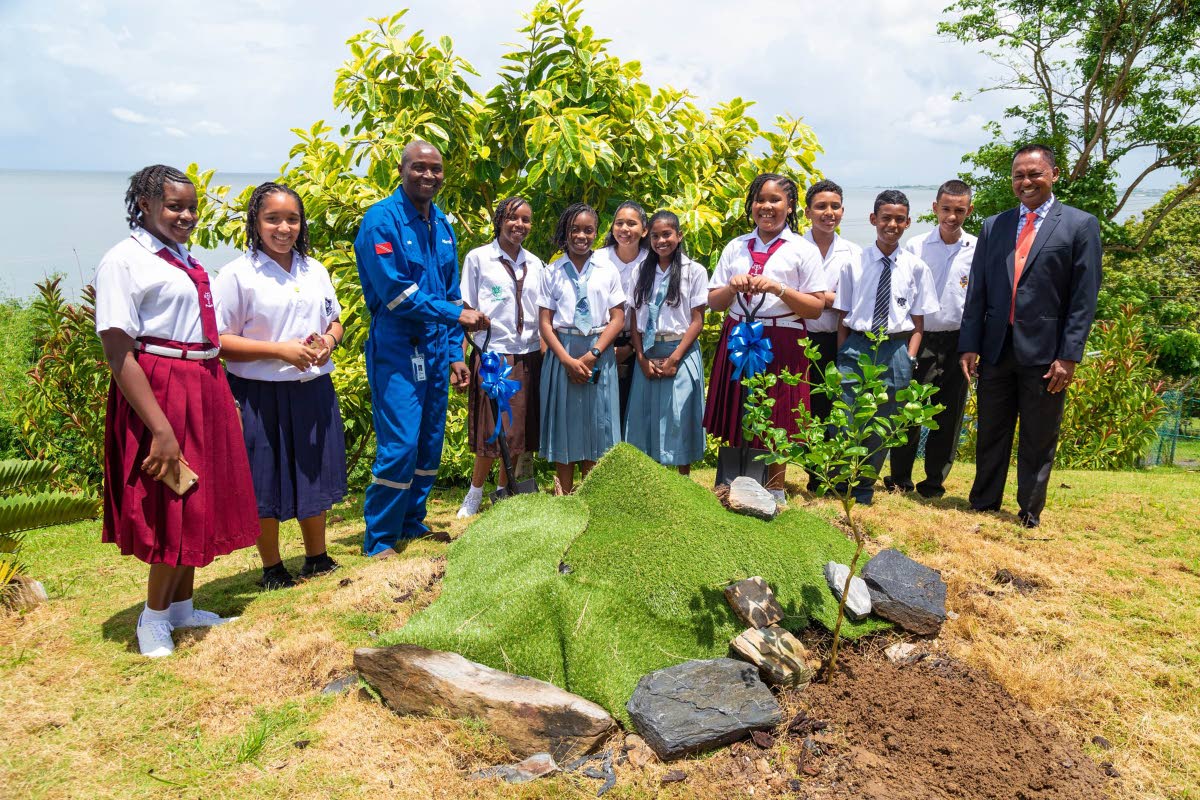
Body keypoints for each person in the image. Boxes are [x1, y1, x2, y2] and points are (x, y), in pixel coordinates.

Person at [94, 164, 258, 657]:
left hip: (202, 381)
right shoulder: (124, 261)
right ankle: (154, 617)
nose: (186, 215)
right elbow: (118, 351)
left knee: (199, 494)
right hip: (161, 388)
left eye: (192, 207)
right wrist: (160, 429)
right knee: (173, 501)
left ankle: (183, 608)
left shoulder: (182, 256)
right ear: (144, 205)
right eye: (174, 207)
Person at [352, 141, 488, 556]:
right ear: (401, 169)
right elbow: (395, 294)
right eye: (420, 168)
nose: (429, 176)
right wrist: (455, 317)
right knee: (401, 445)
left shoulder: (442, 224)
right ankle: (380, 538)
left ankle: (412, 520)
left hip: (434, 347)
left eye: (436, 169)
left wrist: (453, 355)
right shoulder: (381, 221)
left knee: (429, 444)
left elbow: (449, 293)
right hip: (397, 348)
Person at [959, 144, 1102, 528]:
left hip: (1046, 353)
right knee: (991, 429)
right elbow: (979, 291)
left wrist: (1069, 355)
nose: (1026, 182)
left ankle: (1028, 511)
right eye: (1019, 175)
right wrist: (970, 344)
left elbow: (1083, 299)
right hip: (995, 347)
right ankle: (984, 501)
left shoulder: (1079, 224)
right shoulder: (995, 225)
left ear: (1053, 174)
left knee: (1038, 436)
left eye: (1035, 174)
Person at [212, 182, 347, 590]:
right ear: (255, 221)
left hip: (312, 389)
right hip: (259, 395)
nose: (283, 227)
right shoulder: (238, 274)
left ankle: (317, 558)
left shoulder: (314, 269)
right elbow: (218, 340)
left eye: (292, 218)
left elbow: (335, 321)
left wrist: (328, 342)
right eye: (272, 219)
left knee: (314, 472)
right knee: (263, 480)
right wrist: (280, 352)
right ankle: (272, 568)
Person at [705, 173, 828, 503]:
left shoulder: (803, 249)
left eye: (775, 200)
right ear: (751, 205)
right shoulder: (736, 246)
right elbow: (714, 302)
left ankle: (773, 490)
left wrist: (779, 288)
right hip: (738, 333)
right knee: (736, 406)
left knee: (779, 413)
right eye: (760, 199)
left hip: (782, 337)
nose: (767, 207)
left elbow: (816, 307)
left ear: (790, 206)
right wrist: (731, 286)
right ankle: (728, 486)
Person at [834, 189, 938, 505]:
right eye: (885, 218)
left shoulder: (917, 267)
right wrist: (843, 352)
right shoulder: (853, 264)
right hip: (858, 345)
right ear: (873, 220)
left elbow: (918, 323)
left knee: (882, 419)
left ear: (907, 223)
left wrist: (909, 356)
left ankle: (863, 488)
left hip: (895, 349)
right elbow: (842, 316)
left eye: (899, 219)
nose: (891, 225)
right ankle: (841, 483)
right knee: (850, 416)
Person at [885, 179, 976, 498]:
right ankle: (899, 479)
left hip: (958, 342)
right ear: (935, 208)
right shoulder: (916, 246)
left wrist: (972, 345)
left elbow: (978, 300)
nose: (952, 216)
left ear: (968, 210)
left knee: (948, 413)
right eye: (946, 209)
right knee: (907, 408)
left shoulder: (977, 249)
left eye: (959, 210)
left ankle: (934, 482)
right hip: (918, 337)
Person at [455, 197, 545, 519]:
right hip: (494, 356)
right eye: (513, 218)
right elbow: (464, 310)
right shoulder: (479, 259)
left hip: (527, 355)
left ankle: (504, 493)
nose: (519, 225)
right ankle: (475, 493)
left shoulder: (536, 264)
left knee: (517, 434)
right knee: (491, 431)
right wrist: (459, 359)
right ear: (499, 220)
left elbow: (543, 315)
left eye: (526, 219)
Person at [538, 202, 626, 494]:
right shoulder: (552, 271)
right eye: (575, 229)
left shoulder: (607, 269)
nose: (581, 235)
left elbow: (618, 318)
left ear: (596, 233)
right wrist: (566, 360)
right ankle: (564, 493)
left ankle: (590, 494)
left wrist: (593, 354)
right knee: (566, 420)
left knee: (597, 422)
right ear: (565, 232)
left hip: (599, 350)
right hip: (562, 349)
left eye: (588, 230)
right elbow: (545, 323)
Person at [624, 210, 708, 473]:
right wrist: (641, 358)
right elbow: (635, 320)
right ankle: (652, 483)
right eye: (656, 235)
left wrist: (674, 359)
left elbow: (697, 321)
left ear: (679, 235)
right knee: (646, 416)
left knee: (678, 417)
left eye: (667, 234)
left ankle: (683, 482)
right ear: (649, 237)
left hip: (680, 350)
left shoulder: (694, 271)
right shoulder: (641, 270)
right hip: (648, 350)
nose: (662, 241)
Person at [802, 179, 862, 491]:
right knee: (804, 408)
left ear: (842, 211)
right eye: (821, 206)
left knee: (834, 406)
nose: (829, 212)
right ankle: (809, 471)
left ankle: (829, 476)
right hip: (800, 339)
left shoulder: (854, 253)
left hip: (839, 339)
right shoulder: (794, 248)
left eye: (835, 206)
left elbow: (855, 302)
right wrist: (831, 298)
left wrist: (819, 298)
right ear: (807, 211)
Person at [592, 201, 649, 428]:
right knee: (603, 409)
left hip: (642, 343)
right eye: (619, 223)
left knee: (635, 410)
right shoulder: (597, 259)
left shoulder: (651, 261)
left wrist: (631, 348)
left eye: (632, 224)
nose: (625, 229)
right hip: (602, 340)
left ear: (644, 230)